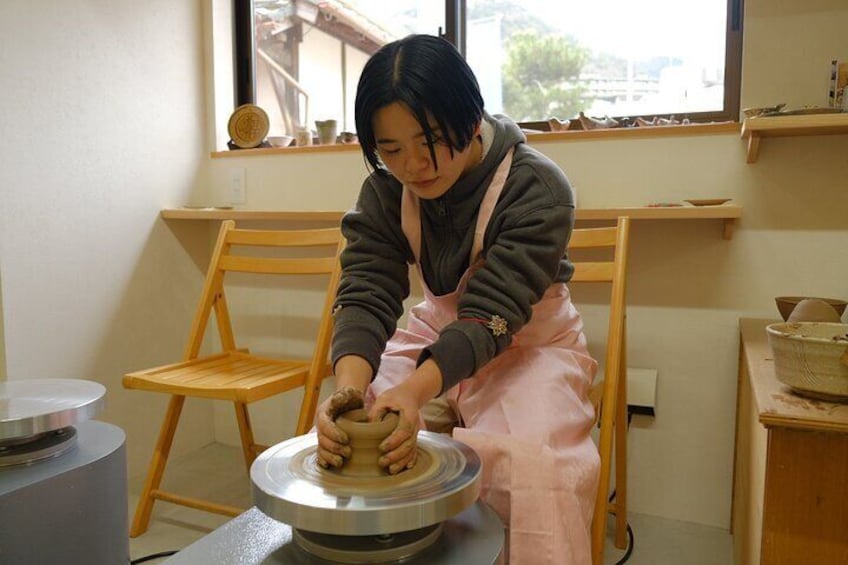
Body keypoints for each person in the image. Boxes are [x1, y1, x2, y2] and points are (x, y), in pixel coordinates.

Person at [315, 34, 599, 564]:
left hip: (529, 339)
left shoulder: (536, 185)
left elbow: (495, 311)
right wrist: (351, 389)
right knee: (358, 428)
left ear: (471, 120)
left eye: (429, 140)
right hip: (437, 332)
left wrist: (418, 391)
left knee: (533, 464)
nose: (414, 166)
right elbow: (366, 289)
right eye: (391, 149)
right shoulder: (385, 190)